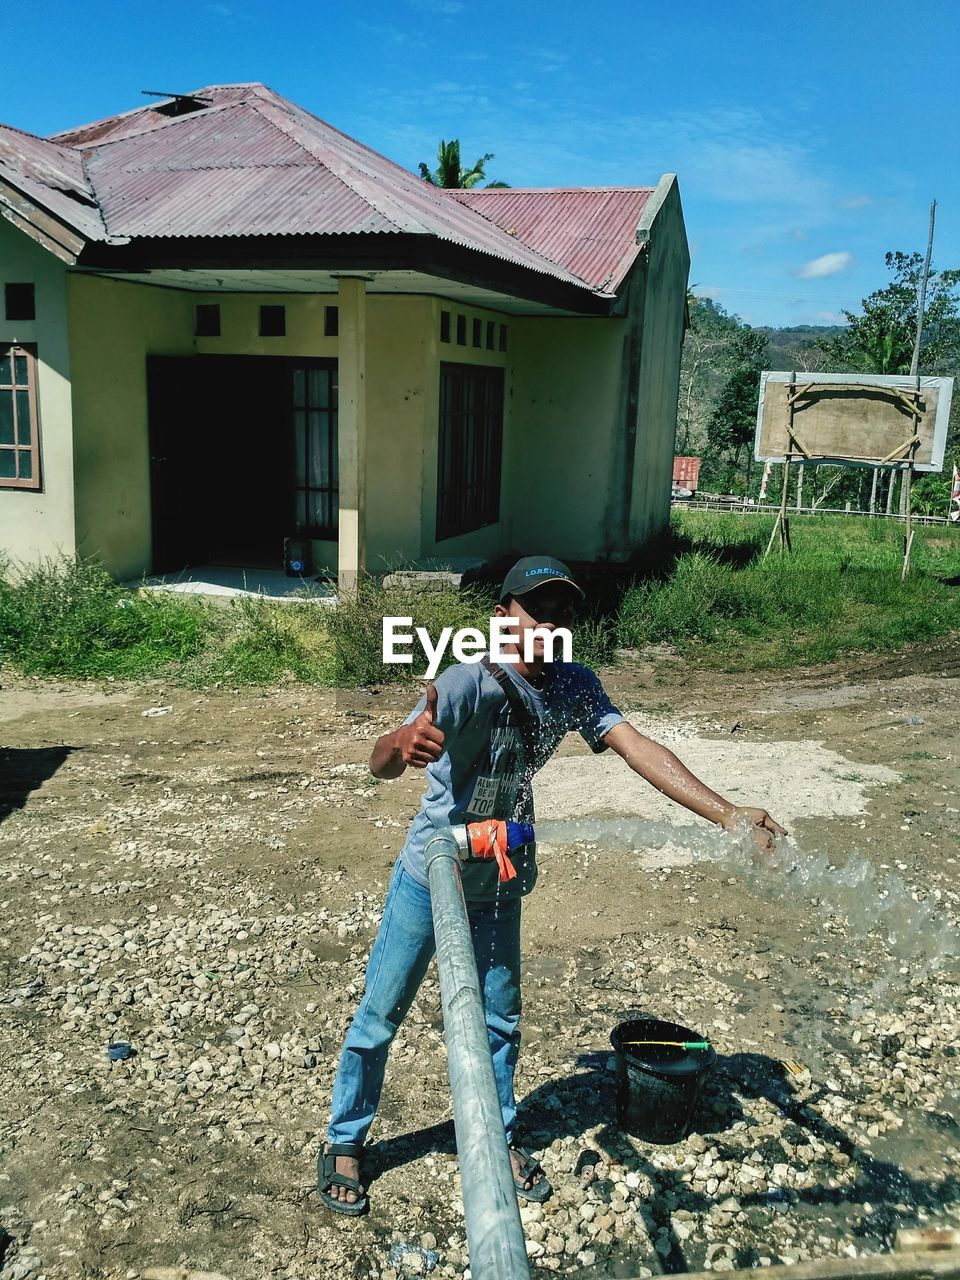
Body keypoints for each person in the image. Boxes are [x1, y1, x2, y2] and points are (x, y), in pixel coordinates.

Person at [319, 556, 785, 1214]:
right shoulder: (466, 682)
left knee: (501, 1021)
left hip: (503, 872)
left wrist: (729, 814)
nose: (551, 625)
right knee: (381, 1013)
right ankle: (345, 1140)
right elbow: (382, 761)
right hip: (435, 874)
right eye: (537, 611)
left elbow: (640, 748)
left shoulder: (572, 686)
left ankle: (496, 1137)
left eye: (563, 615)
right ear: (502, 616)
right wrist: (404, 743)